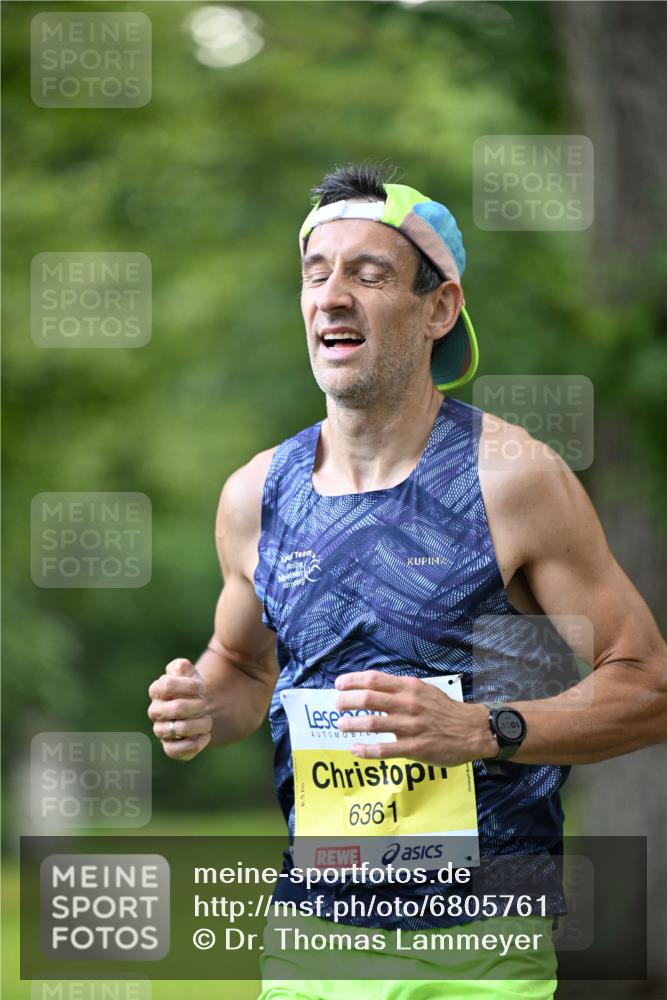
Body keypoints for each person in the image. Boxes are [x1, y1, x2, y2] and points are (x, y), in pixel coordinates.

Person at [147, 162, 667, 999]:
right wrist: (202, 701)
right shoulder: (256, 494)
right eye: (316, 275)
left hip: (483, 941)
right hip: (312, 936)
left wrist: (481, 728)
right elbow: (244, 668)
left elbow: (647, 687)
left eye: (368, 273)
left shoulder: (509, 479)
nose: (332, 295)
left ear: (439, 308)